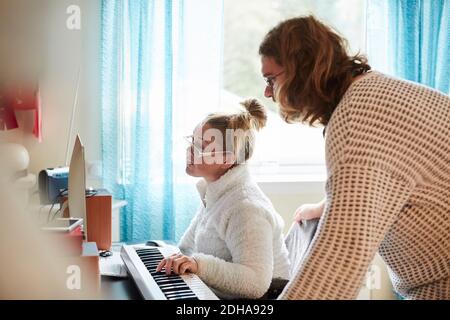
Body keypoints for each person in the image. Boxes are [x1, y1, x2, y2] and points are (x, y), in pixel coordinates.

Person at [259, 15, 450, 300]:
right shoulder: (372, 92)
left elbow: (337, 264)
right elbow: (393, 173)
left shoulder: (357, 119)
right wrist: (328, 205)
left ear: (302, 69)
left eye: (271, 79)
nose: (267, 93)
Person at [156, 99, 290, 299]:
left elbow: (256, 283)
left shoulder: (246, 207)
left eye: (200, 147)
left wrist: (198, 265)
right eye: (192, 141)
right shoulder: (216, 193)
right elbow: (186, 249)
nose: (189, 151)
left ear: (227, 159)